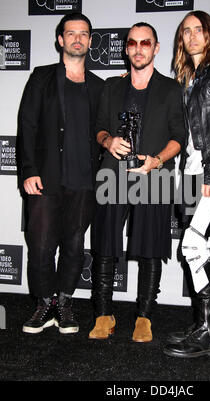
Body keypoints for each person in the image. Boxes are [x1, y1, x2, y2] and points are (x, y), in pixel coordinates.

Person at [89, 22, 186, 342]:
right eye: (132, 43)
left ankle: (144, 316)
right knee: (104, 246)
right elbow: (100, 128)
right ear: (126, 48)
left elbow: (179, 137)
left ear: (156, 48)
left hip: (154, 173)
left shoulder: (172, 89)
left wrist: (157, 160)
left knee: (151, 246)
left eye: (146, 42)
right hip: (112, 171)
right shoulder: (110, 87)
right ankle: (104, 313)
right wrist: (108, 142)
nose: (138, 48)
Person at [18, 13, 104, 334]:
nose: (78, 39)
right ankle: (44, 304)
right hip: (46, 178)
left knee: (73, 246)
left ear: (91, 41)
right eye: (72, 33)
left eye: (84, 34)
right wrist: (28, 169)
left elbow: (106, 129)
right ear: (61, 39)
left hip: (84, 181)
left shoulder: (99, 87)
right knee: (40, 245)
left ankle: (65, 304)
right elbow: (27, 126)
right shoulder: (41, 78)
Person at [163, 10, 210, 358]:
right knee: (201, 251)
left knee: (192, 248)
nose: (192, 36)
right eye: (186, 31)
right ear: (181, 39)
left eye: (198, 30)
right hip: (192, 170)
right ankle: (206, 328)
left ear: (209, 34)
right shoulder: (187, 77)